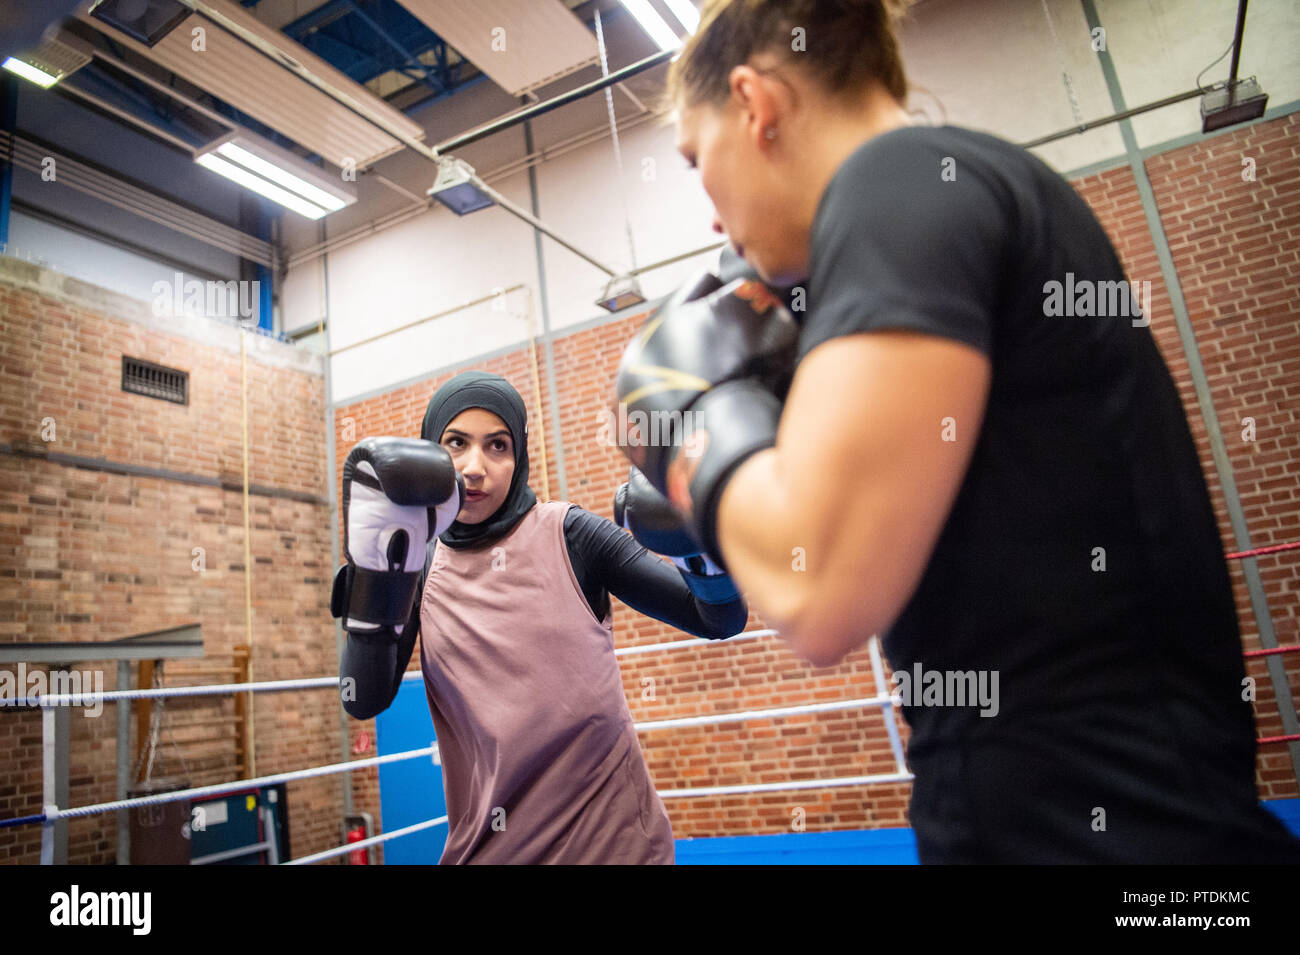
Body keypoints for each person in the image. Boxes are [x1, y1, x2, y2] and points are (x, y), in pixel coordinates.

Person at [613, 0, 1300, 863]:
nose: (713, 217)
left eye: (694, 158)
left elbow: (816, 588)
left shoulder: (894, 181)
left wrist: (686, 416)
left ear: (756, 105)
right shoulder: (966, 190)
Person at [333, 370, 747, 864]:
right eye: (456, 444)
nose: (473, 467)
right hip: (489, 851)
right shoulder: (416, 566)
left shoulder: (572, 536)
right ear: (430, 452)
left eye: (498, 446)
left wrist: (699, 551)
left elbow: (718, 620)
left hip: (613, 847)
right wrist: (375, 580)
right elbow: (363, 699)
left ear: (520, 456)